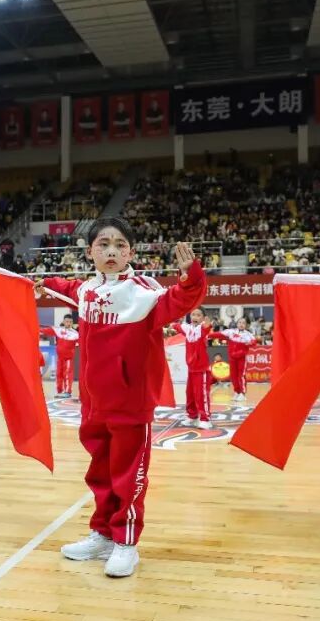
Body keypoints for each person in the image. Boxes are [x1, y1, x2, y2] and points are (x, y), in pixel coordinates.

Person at [38, 217, 205, 578]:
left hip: (131, 402)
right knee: (99, 473)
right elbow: (67, 286)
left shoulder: (144, 292)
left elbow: (181, 299)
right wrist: (45, 282)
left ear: (130, 253)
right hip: (94, 403)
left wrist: (190, 276)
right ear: (90, 252)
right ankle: (102, 535)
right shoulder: (87, 290)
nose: (111, 251)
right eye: (103, 244)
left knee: (128, 476)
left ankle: (126, 543)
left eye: (119, 245)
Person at [174, 308, 213, 429]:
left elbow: (206, 328)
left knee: (201, 395)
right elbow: (177, 326)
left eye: (198, 315)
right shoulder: (188, 328)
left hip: (201, 369)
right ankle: (192, 416)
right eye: (193, 314)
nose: (195, 317)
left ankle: (205, 419)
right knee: (190, 394)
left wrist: (207, 325)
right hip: (191, 368)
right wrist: (172, 322)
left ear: (203, 318)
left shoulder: (202, 329)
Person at [210, 317, 257, 402]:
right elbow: (219, 334)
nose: (241, 324)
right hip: (232, 358)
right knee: (233, 376)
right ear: (237, 323)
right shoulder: (231, 332)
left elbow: (254, 342)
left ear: (246, 325)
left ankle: (242, 393)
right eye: (240, 322)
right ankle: (237, 391)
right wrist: (208, 335)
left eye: (243, 323)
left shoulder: (248, 335)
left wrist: (250, 343)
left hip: (242, 358)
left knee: (241, 376)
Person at [41, 315, 79, 398]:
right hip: (60, 358)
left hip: (68, 359)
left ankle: (67, 391)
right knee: (59, 374)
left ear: (72, 323)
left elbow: (83, 341)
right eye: (67, 321)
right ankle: (60, 391)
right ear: (64, 322)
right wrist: (36, 328)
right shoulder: (58, 330)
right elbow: (46, 331)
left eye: (70, 322)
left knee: (67, 374)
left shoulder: (75, 334)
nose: (68, 323)